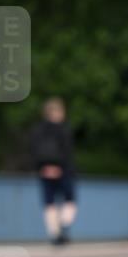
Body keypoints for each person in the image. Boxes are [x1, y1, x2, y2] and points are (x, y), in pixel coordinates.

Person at [29, 98, 77, 244]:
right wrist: (64, 168)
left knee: (49, 203)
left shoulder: (37, 130)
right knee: (70, 200)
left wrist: (41, 168)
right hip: (62, 169)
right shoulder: (63, 130)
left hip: (44, 170)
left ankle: (53, 233)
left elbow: (32, 151)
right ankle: (63, 224)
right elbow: (68, 152)